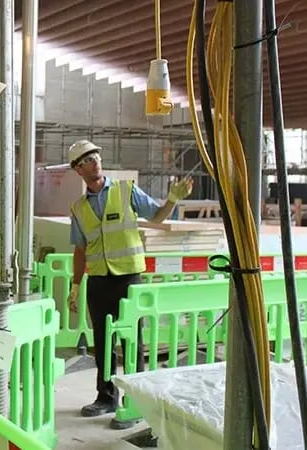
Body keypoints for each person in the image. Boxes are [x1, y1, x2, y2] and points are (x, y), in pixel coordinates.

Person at [66, 139, 192, 426]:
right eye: (87, 159)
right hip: (98, 280)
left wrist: (172, 199)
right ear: (78, 170)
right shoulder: (78, 208)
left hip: (128, 279)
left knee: (131, 340)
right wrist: (75, 286)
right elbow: (80, 249)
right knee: (103, 341)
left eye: (96, 155)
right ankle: (106, 397)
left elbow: (157, 215)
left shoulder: (126, 191)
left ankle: (136, 401)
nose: (95, 160)